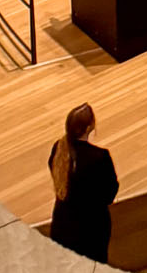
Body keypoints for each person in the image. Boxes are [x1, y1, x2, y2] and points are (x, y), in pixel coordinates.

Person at [48, 104, 118, 263]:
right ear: (90, 127)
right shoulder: (99, 157)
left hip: (62, 224)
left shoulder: (58, 148)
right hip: (90, 229)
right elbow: (109, 194)